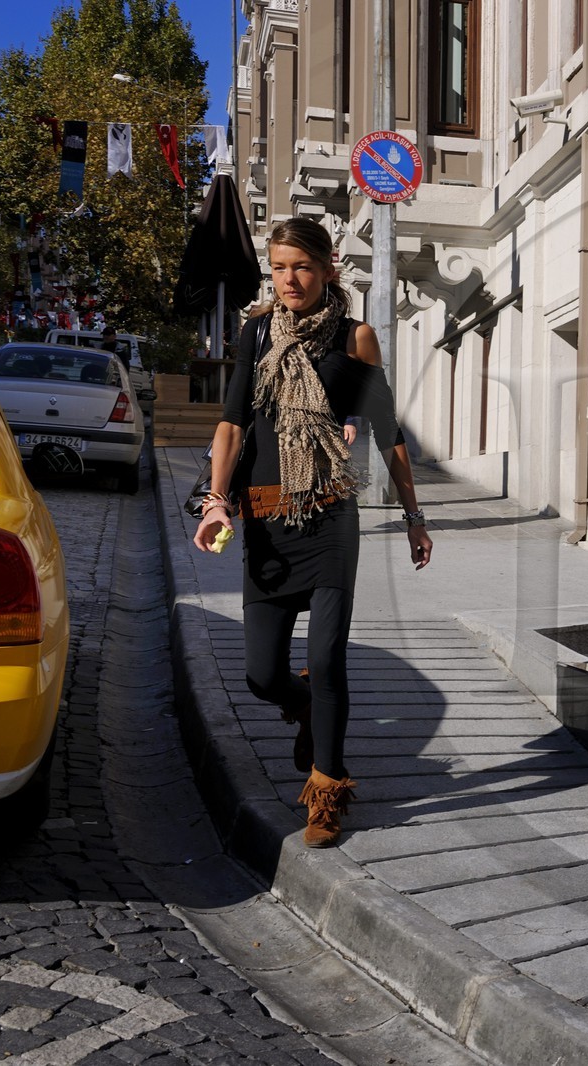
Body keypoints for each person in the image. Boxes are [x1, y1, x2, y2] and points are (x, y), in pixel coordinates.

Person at [192, 217, 433, 847]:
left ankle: (327, 790)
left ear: (327, 268)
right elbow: (232, 425)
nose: (288, 279)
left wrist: (414, 516)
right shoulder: (256, 333)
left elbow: (388, 429)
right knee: (261, 675)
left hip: (329, 516)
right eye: (277, 268)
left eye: (300, 266)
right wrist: (217, 501)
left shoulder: (356, 339)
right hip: (269, 520)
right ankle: (303, 710)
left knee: (326, 660)